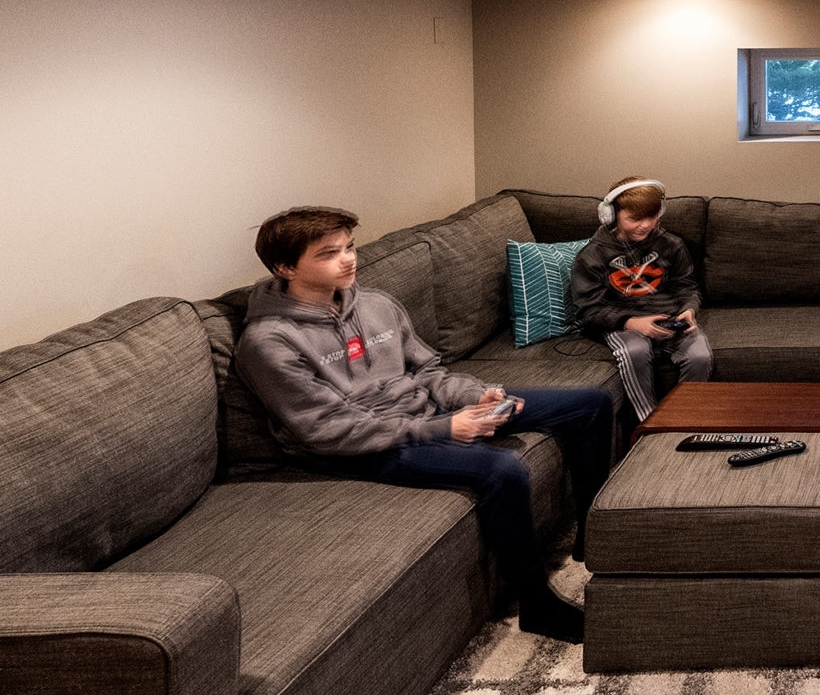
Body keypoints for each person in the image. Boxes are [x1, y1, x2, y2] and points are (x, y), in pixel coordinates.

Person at [234, 206, 609, 643]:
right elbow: (326, 429)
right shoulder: (268, 341)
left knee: (590, 404)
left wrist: (476, 397)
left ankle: (593, 534)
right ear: (285, 267)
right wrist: (444, 429)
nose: (349, 259)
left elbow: (430, 372)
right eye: (329, 254)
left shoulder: (375, 304)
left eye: (350, 247)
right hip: (359, 447)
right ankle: (536, 605)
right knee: (500, 469)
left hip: (424, 415)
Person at [570, 177, 712, 420]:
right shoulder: (592, 255)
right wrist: (630, 322)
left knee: (701, 355)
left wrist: (689, 310)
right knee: (634, 351)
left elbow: (688, 287)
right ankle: (649, 422)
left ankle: (682, 419)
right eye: (635, 219)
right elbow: (588, 310)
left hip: (669, 318)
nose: (645, 225)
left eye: (652, 216)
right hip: (622, 322)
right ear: (611, 216)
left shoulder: (672, 245)